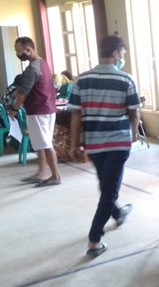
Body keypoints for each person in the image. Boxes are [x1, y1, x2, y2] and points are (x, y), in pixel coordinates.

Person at [67, 35, 141, 257]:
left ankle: (118, 214)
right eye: (123, 54)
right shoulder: (125, 79)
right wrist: (134, 132)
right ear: (116, 53)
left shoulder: (82, 80)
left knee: (106, 184)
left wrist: (74, 143)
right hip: (118, 142)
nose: (123, 59)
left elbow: (76, 115)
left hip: (95, 143)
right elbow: (134, 111)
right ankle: (94, 239)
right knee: (109, 189)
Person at [10, 37, 61, 187]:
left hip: (39, 110)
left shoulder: (32, 68)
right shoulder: (43, 63)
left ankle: (55, 176)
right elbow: (28, 87)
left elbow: (24, 93)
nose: (18, 53)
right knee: (40, 143)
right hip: (47, 108)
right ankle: (41, 173)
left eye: (19, 50)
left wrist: (14, 109)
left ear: (28, 50)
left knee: (45, 144)